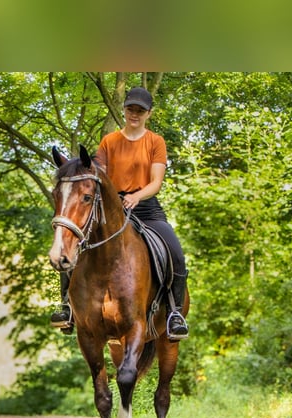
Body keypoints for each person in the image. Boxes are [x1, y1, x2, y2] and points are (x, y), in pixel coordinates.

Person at [51, 86, 189, 341]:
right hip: (112, 207)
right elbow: (96, 172)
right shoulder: (110, 141)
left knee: (175, 251)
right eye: (130, 109)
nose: (134, 114)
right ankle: (66, 307)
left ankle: (174, 313)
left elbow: (156, 181)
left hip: (146, 207)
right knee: (73, 245)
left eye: (140, 110)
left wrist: (137, 196)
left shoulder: (155, 141)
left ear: (149, 113)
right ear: (123, 110)